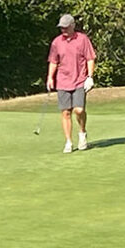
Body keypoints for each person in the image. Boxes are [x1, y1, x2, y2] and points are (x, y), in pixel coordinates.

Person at [46, 14, 96, 153]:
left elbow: (90, 58)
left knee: (79, 110)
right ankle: (68, 141)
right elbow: (53, 61)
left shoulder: (82, 39)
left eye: (66, 27)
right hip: (63, 81)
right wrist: (50, 77)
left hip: (80, 80)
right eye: (62, 28)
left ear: (73, 25)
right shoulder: (57, 42)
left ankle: (82, 132)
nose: (64, 30)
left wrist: (90, 77)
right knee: (66, 112)